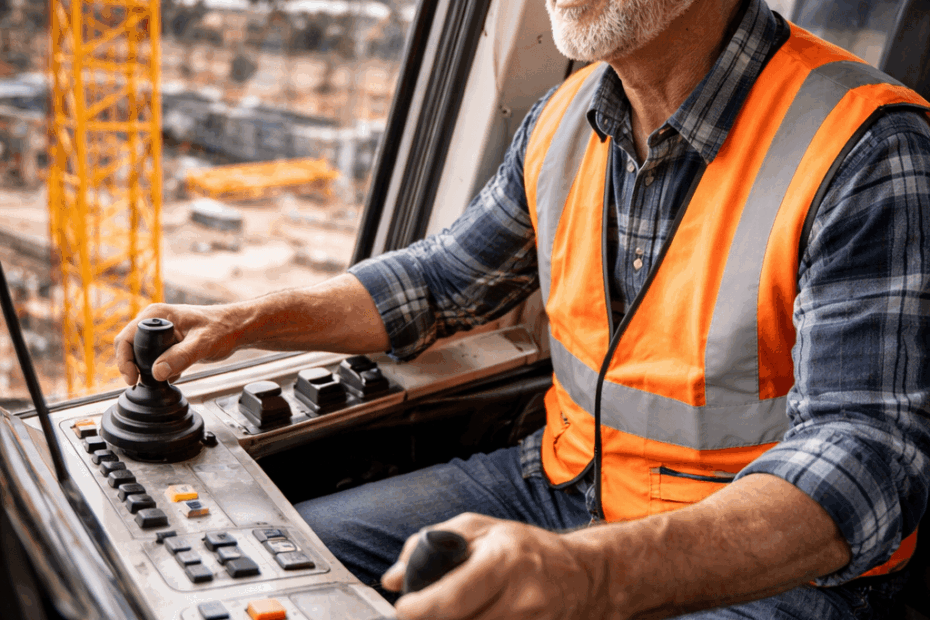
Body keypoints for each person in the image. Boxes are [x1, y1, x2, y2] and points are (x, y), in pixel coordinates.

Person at [116, 0, 930, 617]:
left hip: (756, 559)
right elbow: (439, 283)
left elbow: (866, 462)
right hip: (557, 482)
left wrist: (589, 571)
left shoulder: (867, 146)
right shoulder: (565, 119)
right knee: (255, 573)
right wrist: (246, 320)